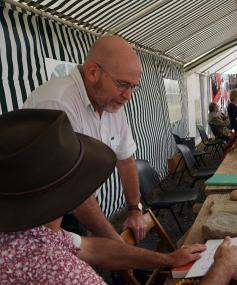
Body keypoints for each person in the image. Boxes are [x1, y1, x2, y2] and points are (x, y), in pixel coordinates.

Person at [0, 109, 237, 285]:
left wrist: (166, 259)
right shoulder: (47, 268)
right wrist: (223, 267)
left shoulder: (27, 232)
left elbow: (90, 247)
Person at [22, 36, 146, 242]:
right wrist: (117, 245)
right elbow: (73, 192)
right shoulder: (57, 103)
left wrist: (134, 210)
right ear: (92, 72)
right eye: (123, 84)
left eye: (133, 86)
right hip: (36, 219)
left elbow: (125, 160)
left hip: (76, 205)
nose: (128, 95)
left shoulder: (110, 102)